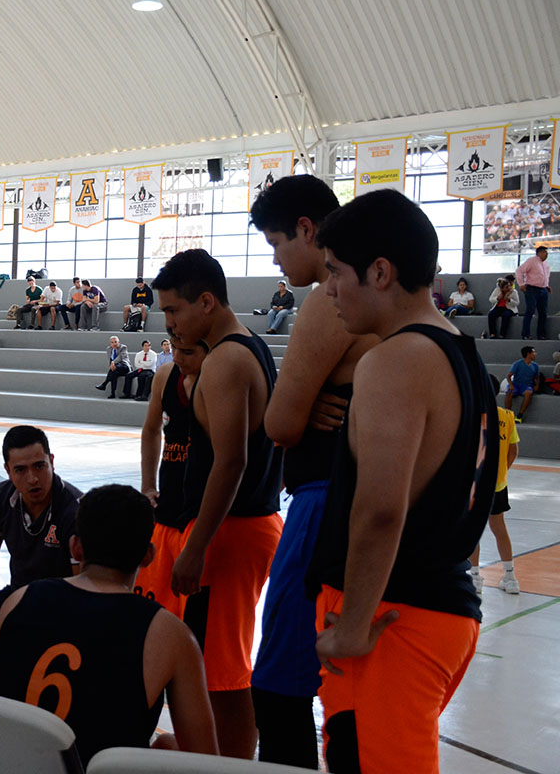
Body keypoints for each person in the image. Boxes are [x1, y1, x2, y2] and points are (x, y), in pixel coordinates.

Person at [308, 189, 497, 774]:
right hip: (438, 607)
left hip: (393, 621)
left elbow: (381, 509)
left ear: (381, 273)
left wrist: (355, 624)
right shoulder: (460, 353)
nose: (329, 290)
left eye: (336, 272)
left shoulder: (393, 360)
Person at [248, 173, 378, 768]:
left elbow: (279, 424)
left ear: (307, 229)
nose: (276, 260)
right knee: (351, 692)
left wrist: (301, 396)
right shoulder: (382, 301)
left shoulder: (330, 298)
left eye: (277, 243)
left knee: (279, 681)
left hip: (325, 502)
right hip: (364, 503)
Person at [153, 249, 284, 759]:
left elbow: (230, 462)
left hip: (232, 530)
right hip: (241, 526)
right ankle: (214, 759)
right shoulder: (249, 346)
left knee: (221, 673)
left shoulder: (227, 358)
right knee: (214, 666)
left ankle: (226, 766)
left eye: (173, 311)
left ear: (206, 302)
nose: (169, 323)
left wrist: (196, 547)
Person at [0, 485, 219, 767]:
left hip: (5, 766)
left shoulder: (16, 601)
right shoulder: (170, 634)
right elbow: (206, 761)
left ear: (75, 547)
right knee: (169, 745)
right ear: (148, 555)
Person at [0, 426, 81, 648]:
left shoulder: (74, 511)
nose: (33, 478)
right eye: (21, 470)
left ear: (52, 461)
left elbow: (81, 590)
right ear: (7, 470)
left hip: (61, 610)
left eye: (39, 466)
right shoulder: (0, 496)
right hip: (17, 595)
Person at [139, 339, 208, 615]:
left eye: (188, 351)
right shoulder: (166, 375)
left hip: (203, 517)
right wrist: (147, 485)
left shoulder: (221, 379)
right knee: (152, 606)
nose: (178, 357)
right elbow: (152, 430)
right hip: (167, 509)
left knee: (195, 614)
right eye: (176, 349)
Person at [470, 374, 520, 595]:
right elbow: (513, 450)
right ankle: (510, 577)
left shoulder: (471, 416)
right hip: (498, 485)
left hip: (475, 484)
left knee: (473, 531)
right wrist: (502, 472)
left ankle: (475, 579)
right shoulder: (508, 416)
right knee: (500, 530)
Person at [515, 245, 550, 340]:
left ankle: (541, 334)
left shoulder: (546, 264)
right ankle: (525, 334)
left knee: (543, 313)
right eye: (545, 252)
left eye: (547, 253)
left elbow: (545, 276)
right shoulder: (532, 261)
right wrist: (521, 284)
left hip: (543, 289)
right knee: (530, 311)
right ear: (539, 253)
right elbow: (519, 271)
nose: (546, 254)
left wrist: (547, 285)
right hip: (532, 289)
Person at [506, 345, 541, 422]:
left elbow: (537, 377)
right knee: (509, 392)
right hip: (516, 384)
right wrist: (511, 385)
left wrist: (537, 385)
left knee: (528, 393)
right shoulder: (517, 363)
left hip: (527, 386)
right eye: (534, 352)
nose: (535, 354)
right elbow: (508, 376)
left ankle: (519, 416)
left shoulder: (535, 366)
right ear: (528, 354)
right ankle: (507, 413)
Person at [487, 275, 519, 339]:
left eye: (508, 286)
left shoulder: (514, 292)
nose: (508, 288)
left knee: (505, 315)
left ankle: (502, 334)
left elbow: (517, 303)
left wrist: (509, 300)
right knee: (491, 314)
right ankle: (492, 333)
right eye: (506, 287)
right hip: (498, 307)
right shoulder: (497, 290)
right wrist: (497, 298)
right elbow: (491, 299)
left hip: (509, 308)